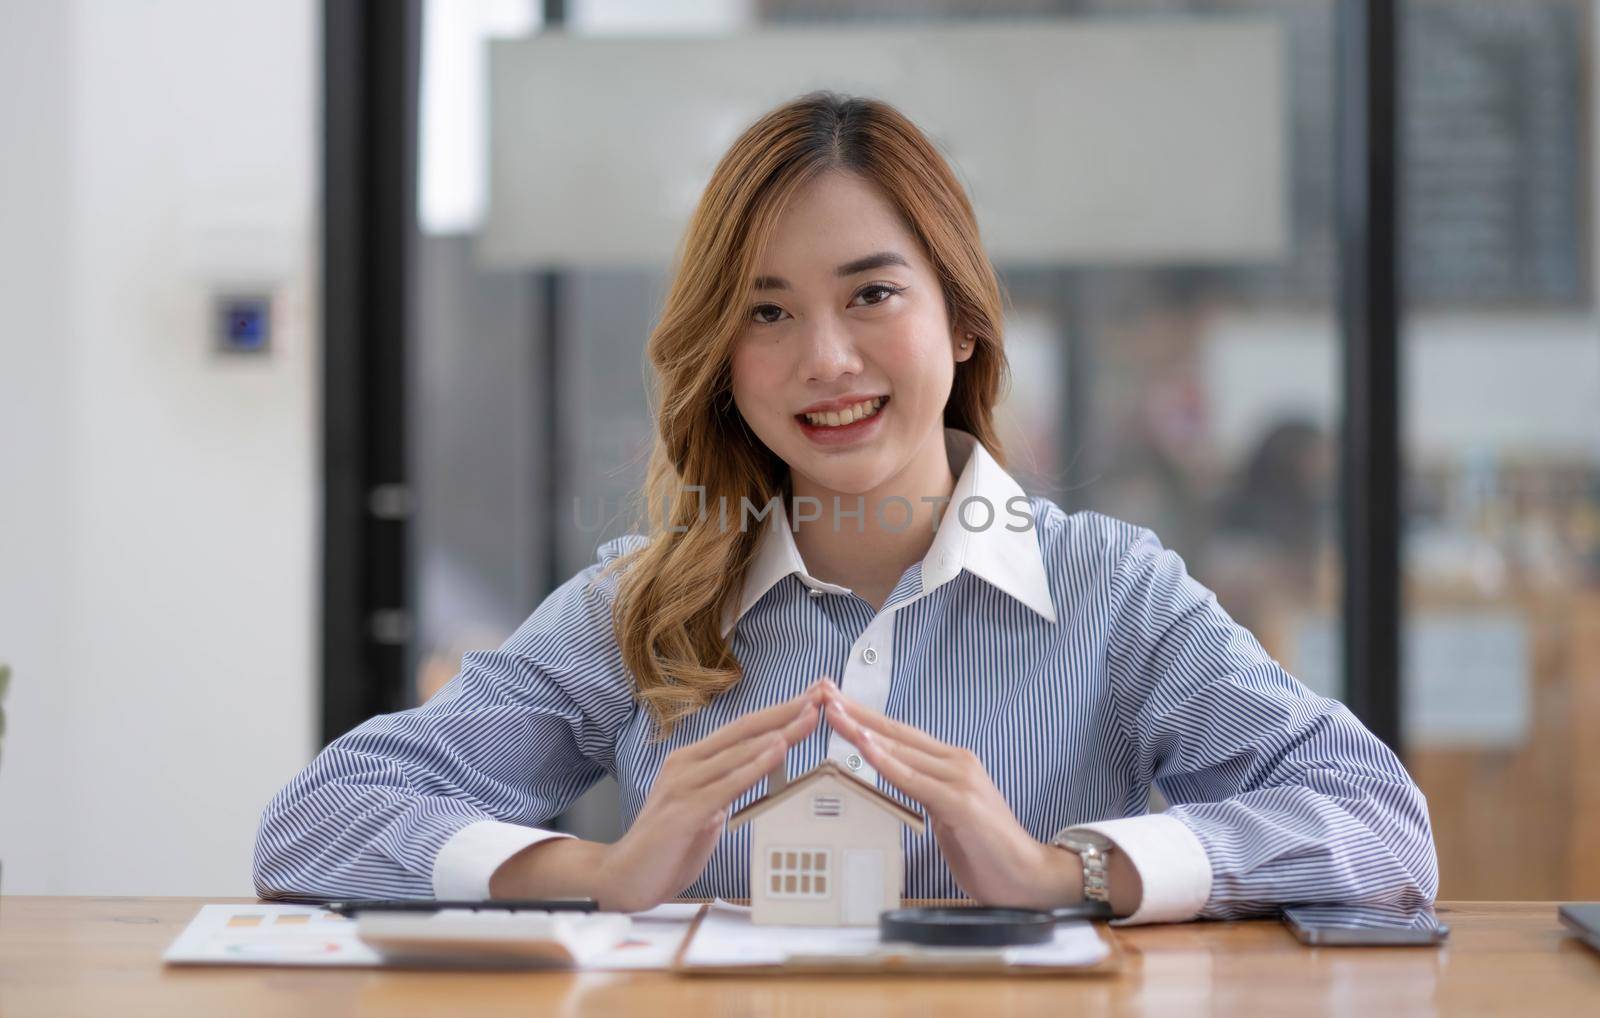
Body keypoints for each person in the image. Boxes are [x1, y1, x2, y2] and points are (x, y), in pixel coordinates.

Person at [253, 91, 1437, 924]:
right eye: (765, 313)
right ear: (720, 355)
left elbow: (1379, 825)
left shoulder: (1113, 592)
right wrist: (600, 869)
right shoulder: (640, 601)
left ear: (960, 320)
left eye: (872, 293)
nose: (825, 358)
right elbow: (317, 824)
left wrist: (1062, 871)